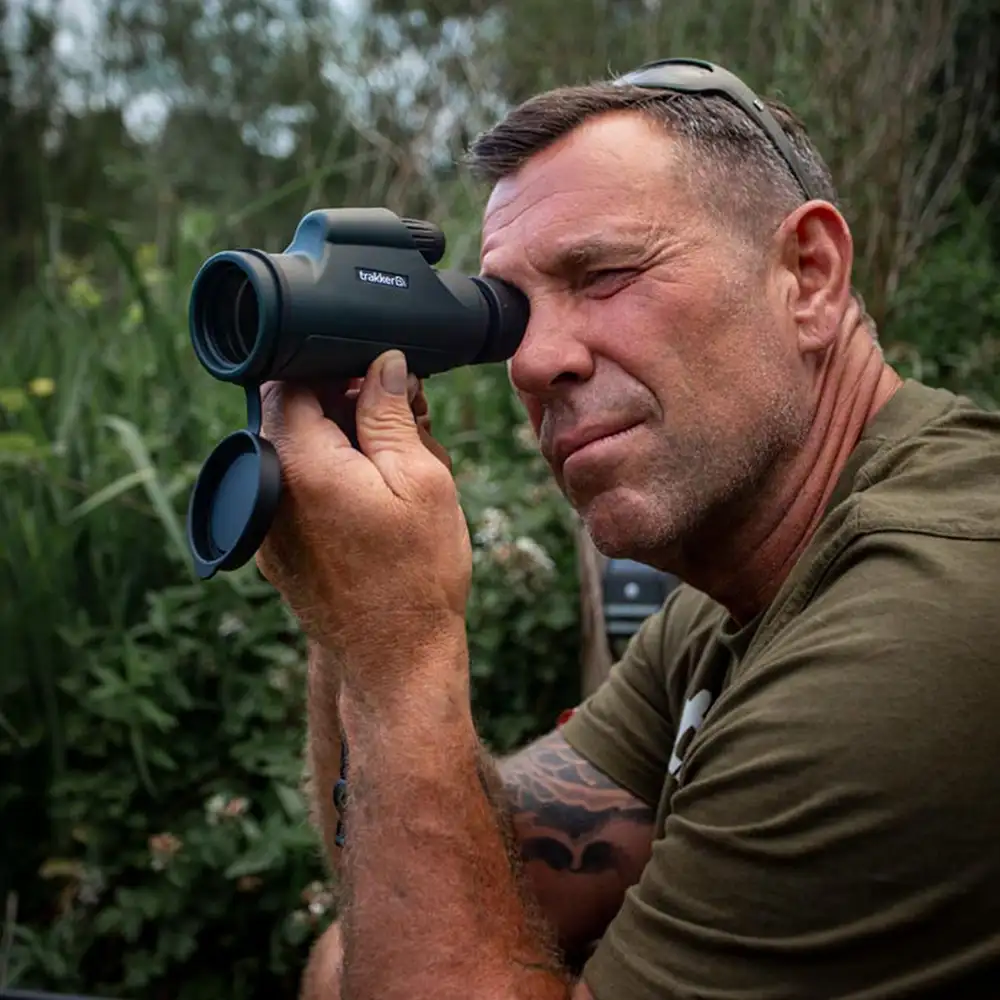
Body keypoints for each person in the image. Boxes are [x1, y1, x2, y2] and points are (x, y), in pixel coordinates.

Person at [256, 58, 1000, 1000]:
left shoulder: (917, 631)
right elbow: (405, 913)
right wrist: (353, 594)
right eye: (510, 316)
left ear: (808, 275)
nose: (535, 363)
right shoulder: (737, 591)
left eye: (606, 275)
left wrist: (392, 648)